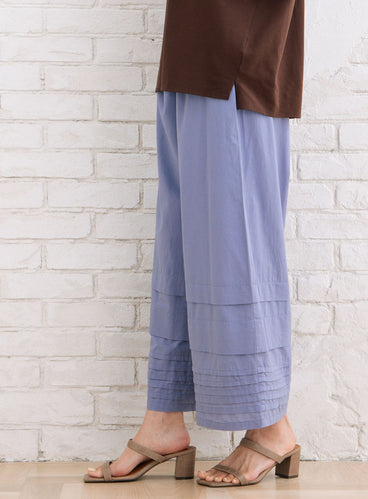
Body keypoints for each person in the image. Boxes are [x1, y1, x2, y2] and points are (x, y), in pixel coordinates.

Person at [84, 0, 305, 488]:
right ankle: (163, 420)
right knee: (181, 247)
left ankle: (271, 426)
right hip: (191, 51)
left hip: (238, 60)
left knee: (235, 248)